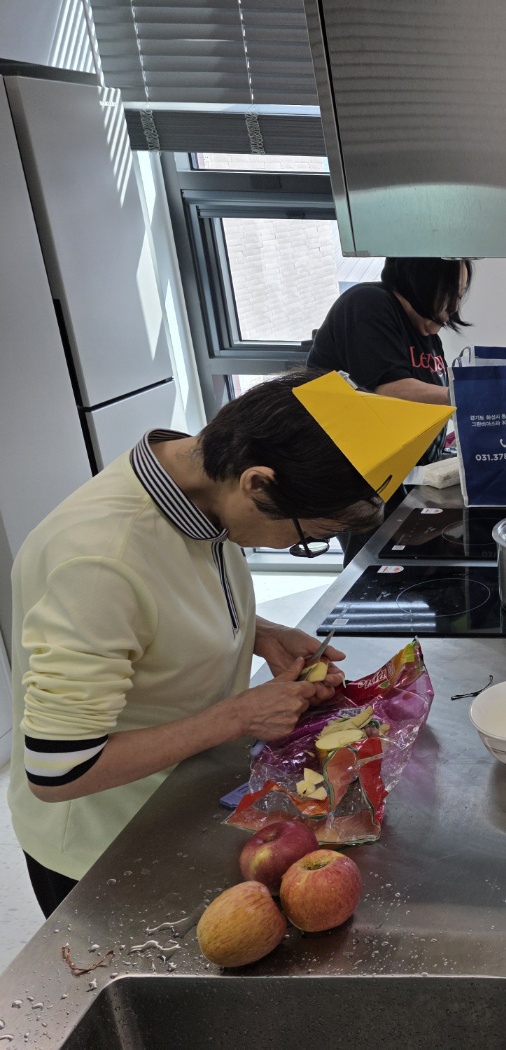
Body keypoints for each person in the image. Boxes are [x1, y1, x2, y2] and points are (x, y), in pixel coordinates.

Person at [8, 371, 452, 916]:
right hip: (106, 848)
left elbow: (157, 599)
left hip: (182, 793)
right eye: (306, 538)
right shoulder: (97, 561)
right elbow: (58, 768)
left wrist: (259, 632)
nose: (295, 547)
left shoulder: (198, 480)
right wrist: (240, 716)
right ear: (257, 484)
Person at [306, 257, 472, 562]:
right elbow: (391, 391)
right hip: (359, 483)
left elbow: (434, 399)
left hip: (403, 477)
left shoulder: (426, 335)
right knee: (374, 565)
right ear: (423, 280)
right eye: (451, 294)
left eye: (459, 296)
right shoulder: (367, 304)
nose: (454, 308)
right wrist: (474, 395)